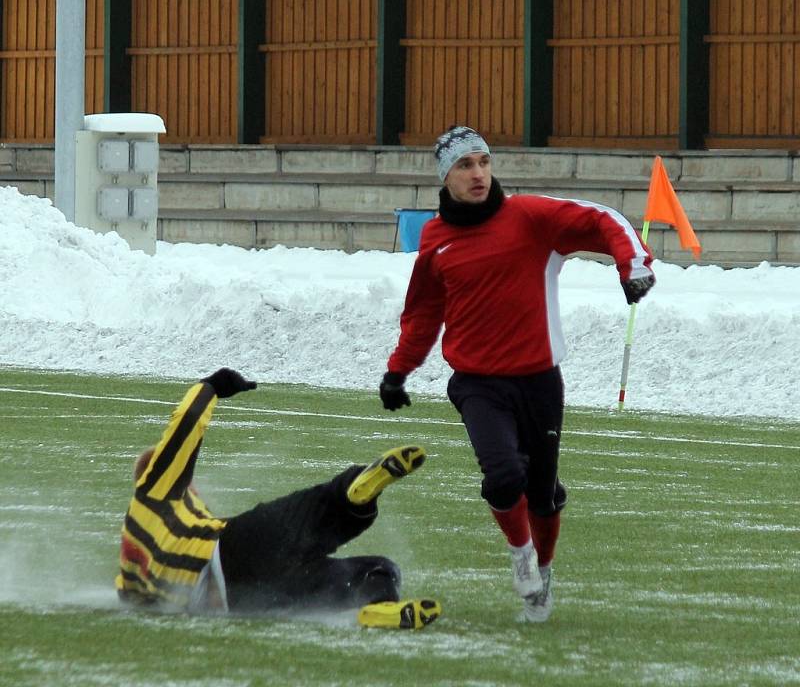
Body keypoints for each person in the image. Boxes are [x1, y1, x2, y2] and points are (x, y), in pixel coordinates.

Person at [379, 126, 655, 623]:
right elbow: (423, 312)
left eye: (483, 161)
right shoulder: (435, 237)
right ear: (446, 177)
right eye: (465, 166)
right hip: (477, 384)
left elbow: (601, 220)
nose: (478, 173)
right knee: (504, 476)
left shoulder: (529, 217)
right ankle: (521, 554)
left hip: (539, 382)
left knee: (544, 495)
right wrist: (398, 370)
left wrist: (632, 264)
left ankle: (543, 571)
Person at [116, 367, 441, 630]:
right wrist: (211, 386)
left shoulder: (131, 558)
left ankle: (379, 608)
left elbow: (132, 598)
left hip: (239, 602)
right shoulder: (157, 487)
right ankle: (352, 495)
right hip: (230, 550)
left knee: (375, 569)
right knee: (322, 507)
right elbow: (183, 429)